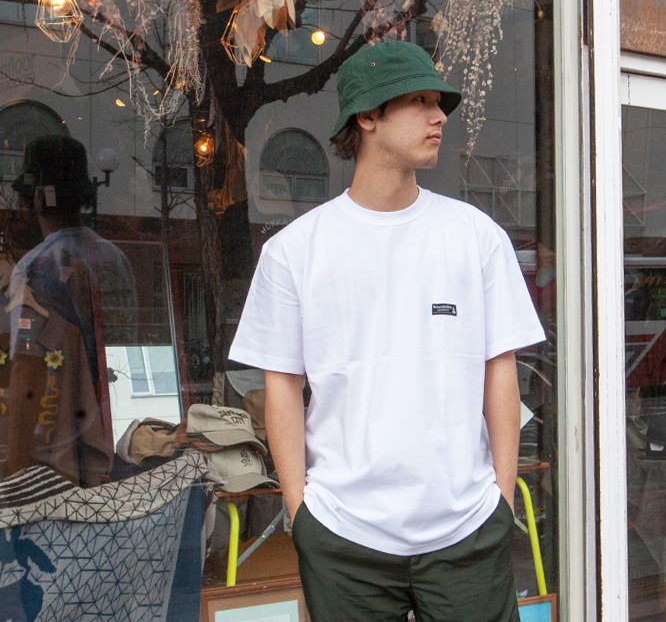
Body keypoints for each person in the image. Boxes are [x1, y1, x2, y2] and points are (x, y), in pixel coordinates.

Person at [229, 41, 545, 622]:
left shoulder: (477, 237)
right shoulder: (295, 251)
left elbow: (500, 371)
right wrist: (301, 513)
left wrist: (501, 499)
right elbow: (282, 387)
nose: (439, 116)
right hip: (343, 536)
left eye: (439, 103)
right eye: (420, 101)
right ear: (368, 117)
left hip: (467, 530)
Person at [2, 135, 137, 485]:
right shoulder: (116, 258)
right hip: (117, 429)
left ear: (35, 197)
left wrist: (14, 467)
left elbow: (28, 373)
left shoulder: (36, 266)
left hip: (57, 441)